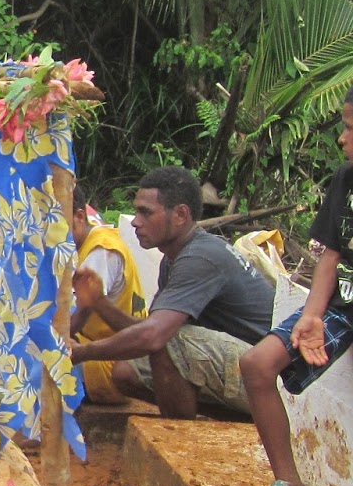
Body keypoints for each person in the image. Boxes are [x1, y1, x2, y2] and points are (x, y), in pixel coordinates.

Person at [233, 91, 353, 486]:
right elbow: (329, 255)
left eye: (350, 128)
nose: (342, 138)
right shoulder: (346, 180)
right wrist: (313, 316)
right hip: (342, 304)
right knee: (257, 364)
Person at [69, 165, 273, 419]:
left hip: (268, 375)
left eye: (145, 213)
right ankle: (218, 421)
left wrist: (82, 353)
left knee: (168, 338)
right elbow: (145, 328)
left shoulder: (200, 258)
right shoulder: (174, 258)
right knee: (125, 373)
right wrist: (99, 302)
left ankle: (182, 429)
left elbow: (154, 336)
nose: (135, 221)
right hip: (239, 367)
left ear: (180, 214)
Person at [69, 189, 146, 404]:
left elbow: (80, 314)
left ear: (80, 216)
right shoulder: (87, 243)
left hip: (109, 364)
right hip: (102, 351)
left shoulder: (101, 250)